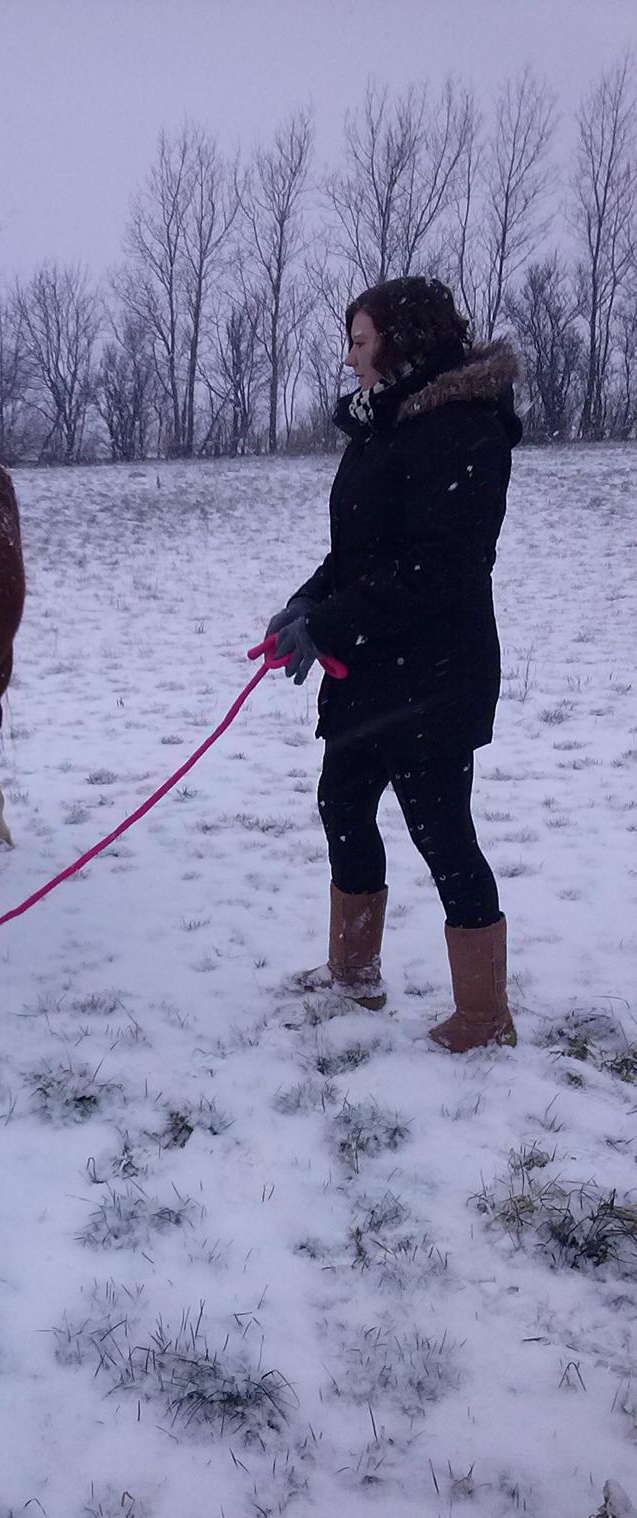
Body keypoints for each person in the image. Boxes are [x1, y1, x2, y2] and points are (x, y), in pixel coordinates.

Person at [266, 276, 521, 1053]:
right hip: (370, 670)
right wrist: (307, 606)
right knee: (342, 805)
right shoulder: (385, 429)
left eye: (359, 342)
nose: (349, 360)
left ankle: (484, 1015)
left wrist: (333, 622)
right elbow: (358, 552)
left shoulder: (463, 431)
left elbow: (440, 569)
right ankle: (354, 974)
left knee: (441, 831)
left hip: (431, 677)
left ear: (401, 343)